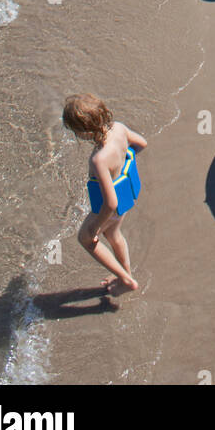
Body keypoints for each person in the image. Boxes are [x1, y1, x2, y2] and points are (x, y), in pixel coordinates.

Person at [63, 94, 147, 296]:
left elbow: (110, 202)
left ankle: (127, 281)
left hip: (112, 207)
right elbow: (141, 144)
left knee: (85, 238)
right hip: (126, 194)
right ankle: (125, 274)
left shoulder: (99, 159)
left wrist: (96, 224)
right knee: (114, 235)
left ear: (83, 131)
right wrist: (125, 160)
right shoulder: (118, 128)